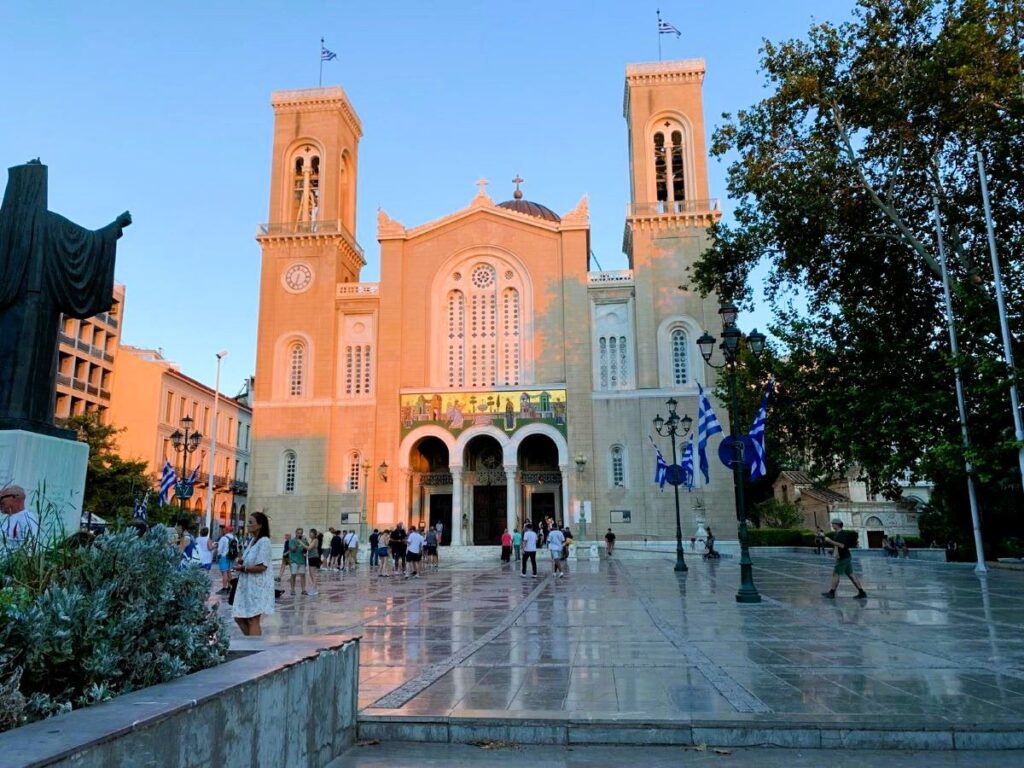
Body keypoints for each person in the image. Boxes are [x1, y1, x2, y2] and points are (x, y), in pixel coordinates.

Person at [232, 512, 274, 636]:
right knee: (239, 617)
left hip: (257, 586)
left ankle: (255, 645)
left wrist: (243, 568)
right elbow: (250, 559)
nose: (247, 525)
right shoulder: (253, 541)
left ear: (260, 525)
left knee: (252, 618)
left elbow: (262, 566)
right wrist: (241, 561)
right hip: (247, 586)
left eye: (251, 522)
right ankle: (251, 641)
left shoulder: (264, 541)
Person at [822, 519, 868, 599]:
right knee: (851, 575)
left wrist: (830, 541)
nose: (832, 525)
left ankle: (832, 593)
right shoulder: (837, 533)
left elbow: (842, 545)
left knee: (836, 574)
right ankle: (862, 592)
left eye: (833, 524)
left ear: (837, 524)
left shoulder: (842, 533)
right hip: (845, 557)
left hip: (843, 558)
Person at [0, 485, 38, 552]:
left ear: (14, 497)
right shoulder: (7, 519)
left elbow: (30, 547)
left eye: (1, 498)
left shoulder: (28, 518)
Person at [287, 528, 309, 596]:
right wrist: (297, 544)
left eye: (301, 533)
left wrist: (305, 541)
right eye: (298, 533)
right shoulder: (292, 541)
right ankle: (292, 590)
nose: (299, 534)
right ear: (295, 533)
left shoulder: (303, 540)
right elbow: (292, 550)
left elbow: (307, 548)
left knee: (302, 575)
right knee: (293, 575)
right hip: (293, 560)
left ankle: (303, 590)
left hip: (301, 560)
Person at [216, 525, 237, 593]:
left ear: (226, 530)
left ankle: (224, 588)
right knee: (229, 572)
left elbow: (220, 549)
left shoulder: (223, 538)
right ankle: (229, 587)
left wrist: (218, 555)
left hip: (224, 557)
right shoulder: (235, 538)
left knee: (224, 572)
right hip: (231, 557)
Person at [306, 527, 322, 596]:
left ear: (314, 533)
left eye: (310, 532)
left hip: (314, 558)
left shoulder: (315, 540)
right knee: (311, 573)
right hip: (311, 557)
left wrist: (300, 542)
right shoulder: (312, 540)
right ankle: (315, 588)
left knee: (313, 574)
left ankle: (314, 589)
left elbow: (309, 548)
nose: (309, 534)